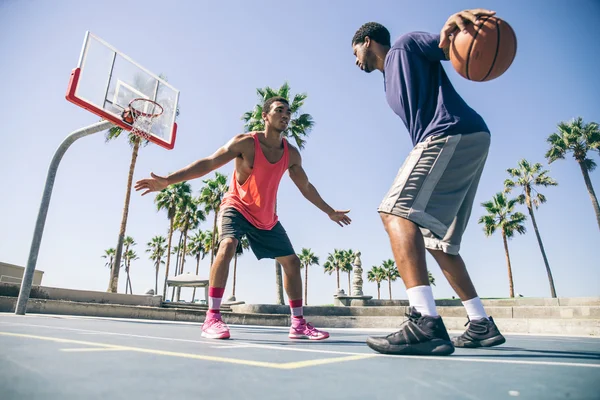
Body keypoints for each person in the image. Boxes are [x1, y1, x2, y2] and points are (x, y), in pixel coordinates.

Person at [351, 9, 506, 355]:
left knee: (394, 213)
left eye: (355, 53)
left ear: (367, 42)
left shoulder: (403, 48)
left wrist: (453, 26)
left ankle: (424, 321)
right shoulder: (388, 80)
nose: (355, 61)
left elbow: (443, 43)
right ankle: (480, 323)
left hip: (449, 133)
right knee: (440, 243)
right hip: (468, 138)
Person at [134, 96, 351, 340]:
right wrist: (167, 180)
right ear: (265, 116)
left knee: (292, 263)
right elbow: (208, 163)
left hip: (265, 216)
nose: (286, 115)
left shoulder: (291, 154)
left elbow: (306, 186)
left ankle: (298, 324)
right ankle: (212, 317)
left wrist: (329, 211)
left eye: (288, 112)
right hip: (236, 206)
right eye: (279, 110)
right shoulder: (246, 143)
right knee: (227, 244)